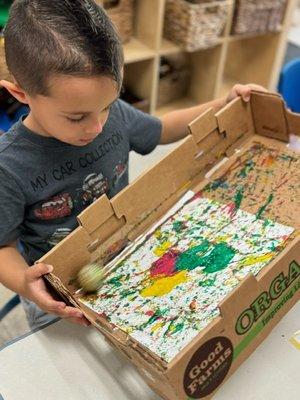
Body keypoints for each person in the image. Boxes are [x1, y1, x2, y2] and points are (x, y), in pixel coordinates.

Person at [0, 0, 266, 330]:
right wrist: (26, 284)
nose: (98, 127)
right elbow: (3, 246)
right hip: (56, 293)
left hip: (123, 257)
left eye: (108, 105)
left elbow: (164, 128)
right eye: (77, 117)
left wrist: (223, 103)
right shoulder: (8, 166)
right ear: (21, 94)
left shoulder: (112, 118)